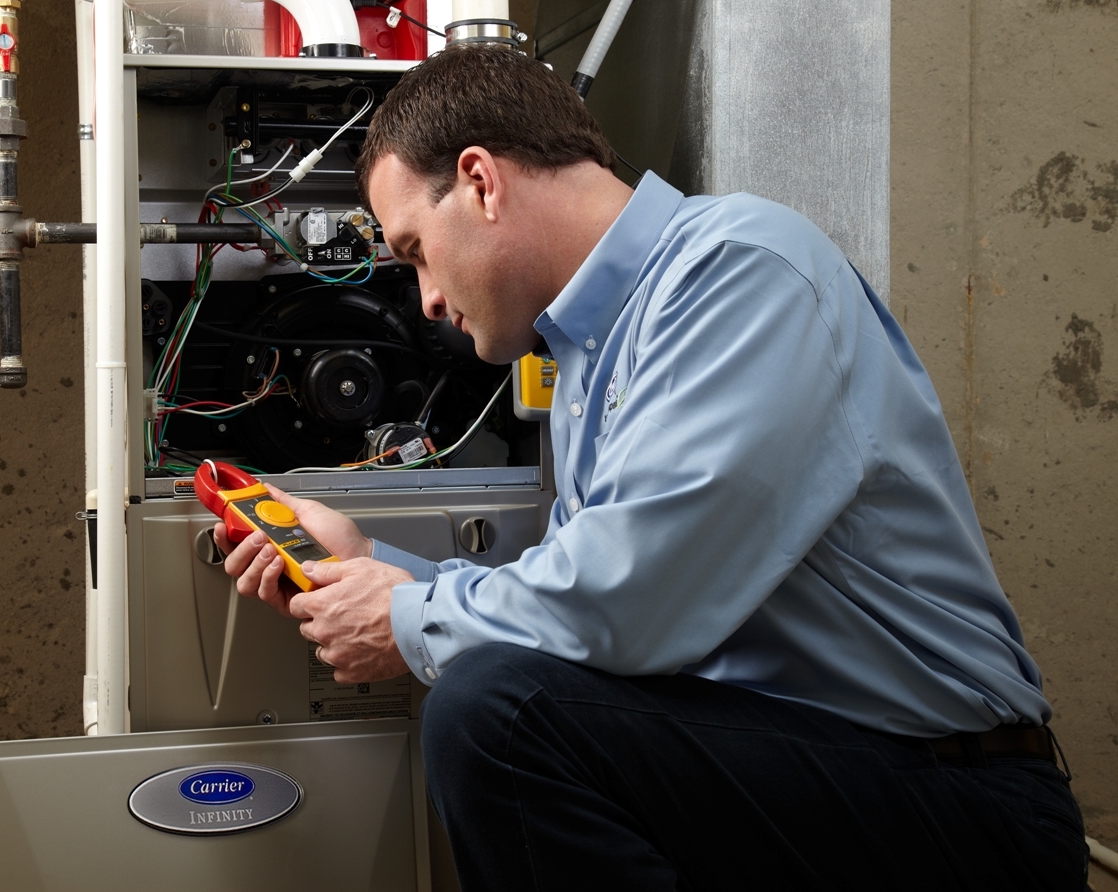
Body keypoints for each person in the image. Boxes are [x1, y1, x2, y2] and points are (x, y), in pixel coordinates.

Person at [213, 45, 1091, 890]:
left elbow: (630, 601)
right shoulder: (590, 355)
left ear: (481, 182)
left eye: (412, 253)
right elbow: (576, 603)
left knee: (500, 716)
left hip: (959, 808)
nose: (429, 300)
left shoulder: (741, 268)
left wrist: (405, 619)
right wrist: (368, 567)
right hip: (811, 772)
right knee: (508, 696)